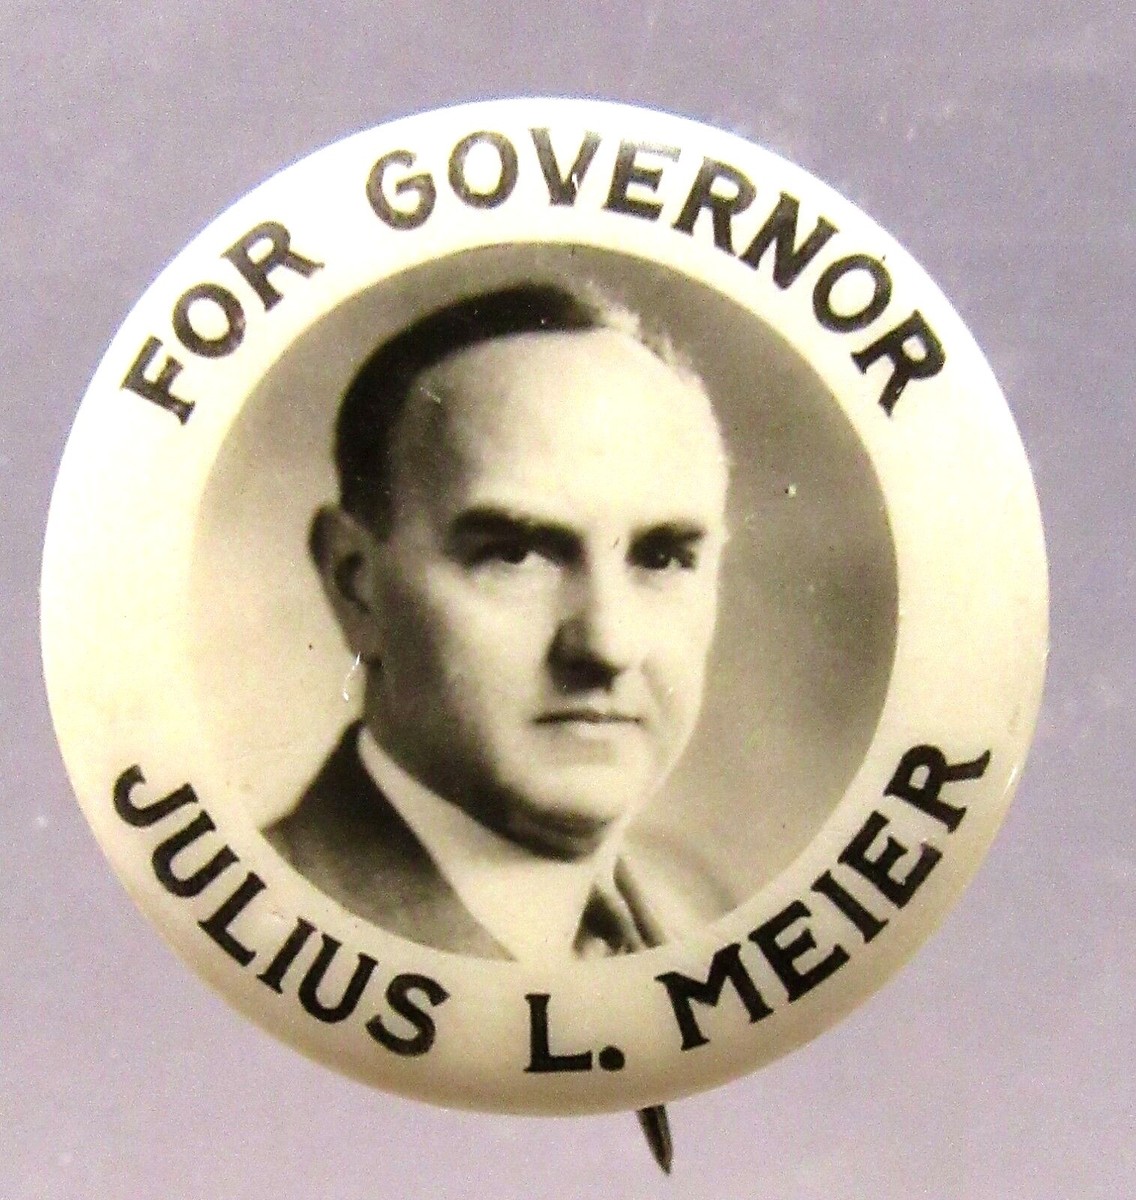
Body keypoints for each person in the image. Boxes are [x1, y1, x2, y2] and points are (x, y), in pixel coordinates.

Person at [264, 282, 734, 961]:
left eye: (662, 558)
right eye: (515, 555)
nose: (607, 644)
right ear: (355, 585)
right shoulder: (261, 930)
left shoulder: (702, 905)